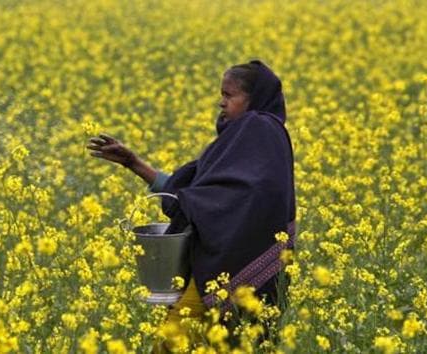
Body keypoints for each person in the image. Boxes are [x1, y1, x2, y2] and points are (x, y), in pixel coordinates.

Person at [87, 60, 296, 350]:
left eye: (229, 95)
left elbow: (238, 196)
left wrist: (192, 203)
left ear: (253, 98)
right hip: (219, 262)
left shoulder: (258, 129)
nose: (221, 103)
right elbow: (195, 190)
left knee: (174, 342)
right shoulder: (244, 137)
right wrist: (132, 163)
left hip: (232, 264)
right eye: (221, 95)